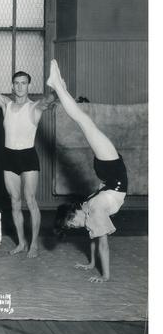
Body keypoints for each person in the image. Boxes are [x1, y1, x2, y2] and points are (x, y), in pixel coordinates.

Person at [0, 48, 55, 258]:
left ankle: (34, 244)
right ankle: (21, 243)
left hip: (28, 157)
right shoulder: (5, 105)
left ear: (28, 85)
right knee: (15, 201)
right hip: (9, 157)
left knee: (30, 199)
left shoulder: (35, 107)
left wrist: (56, 87)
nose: (19, 86)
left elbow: (48, 100)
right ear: (12, 85)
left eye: (23, 83)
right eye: (16, 83)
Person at [48, 60, 127, 283]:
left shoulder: (92, 208)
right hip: (110, 170)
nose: (75, 226)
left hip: (111, 170)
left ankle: (58, 86)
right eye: (72, 227)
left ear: (75, 213)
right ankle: (60, 87)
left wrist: (105, 277)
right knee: (84, 122)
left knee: (84, 121)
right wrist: (91, 263)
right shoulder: (90, 211)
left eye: (71, 223)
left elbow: (102, 243)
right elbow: (94, 235)